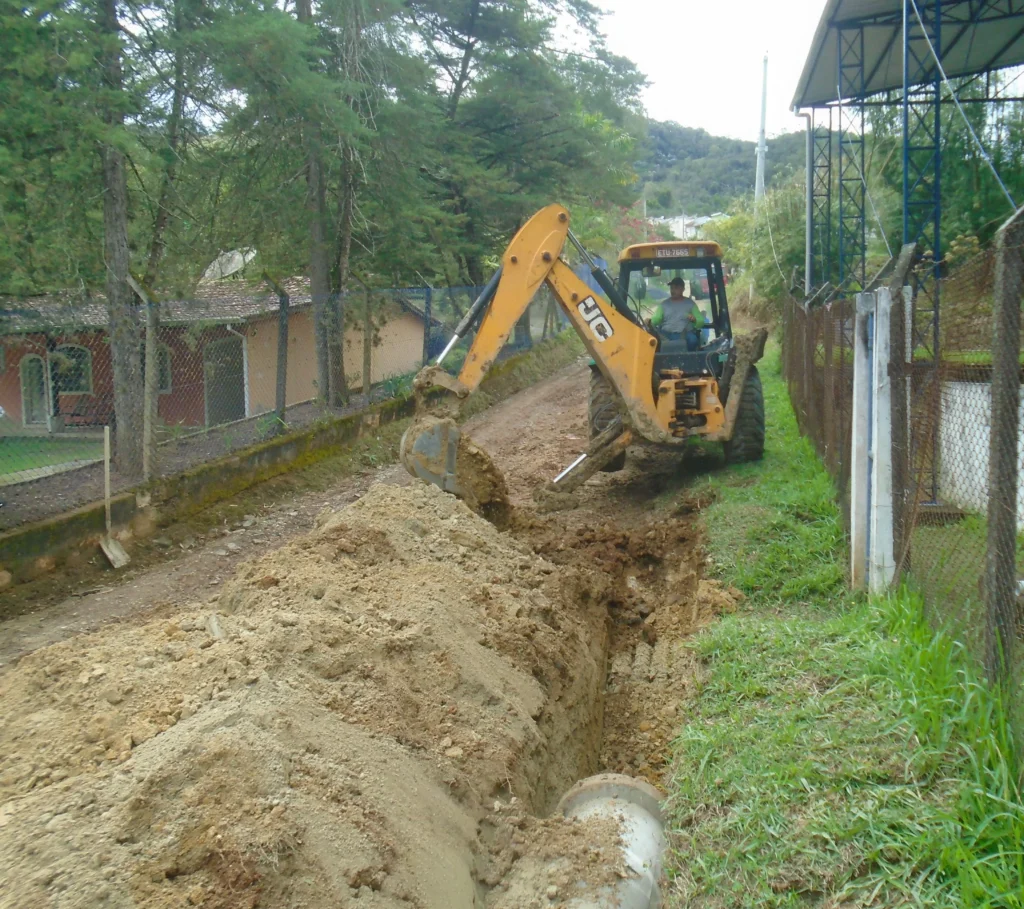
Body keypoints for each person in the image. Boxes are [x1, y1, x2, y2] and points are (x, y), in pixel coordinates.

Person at [649, 277, 705, 351]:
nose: (673, 290)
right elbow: (656, 319)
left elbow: (700, 321)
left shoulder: (690, 304)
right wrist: (650, 321)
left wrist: (694, 319)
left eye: (676, 288)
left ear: (683, 289)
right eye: (671, 288)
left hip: (685, 335)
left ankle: (688, 357)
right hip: (665, 335)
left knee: (693, 340)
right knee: (652, 341)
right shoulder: (664, 305)